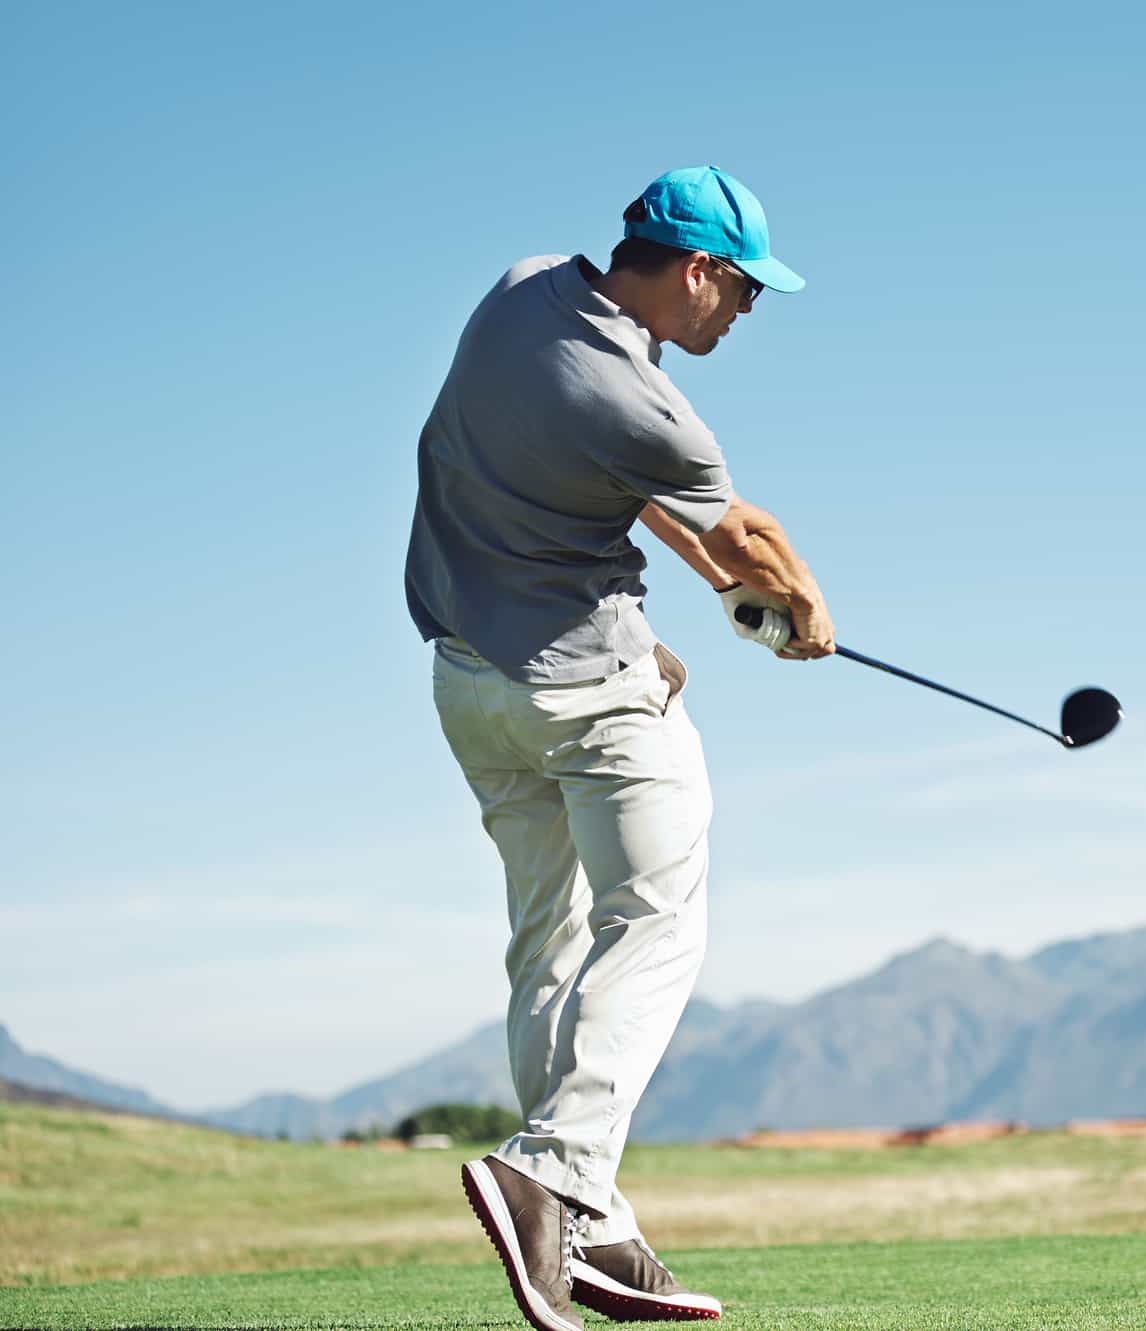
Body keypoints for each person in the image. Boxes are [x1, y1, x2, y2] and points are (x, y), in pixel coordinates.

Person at [404, 164, 832, 1329]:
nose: (742, 316)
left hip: (467, 684)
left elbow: (636, 495)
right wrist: (803, 613)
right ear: (696, 270)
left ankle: (587, 1223)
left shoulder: (519, 288)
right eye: (742, 292)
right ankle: (551, 1172)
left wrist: (689, 605)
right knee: (657, 918)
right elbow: (744, 537)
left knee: (545, 939)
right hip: (585, 694)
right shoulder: (656, 413)